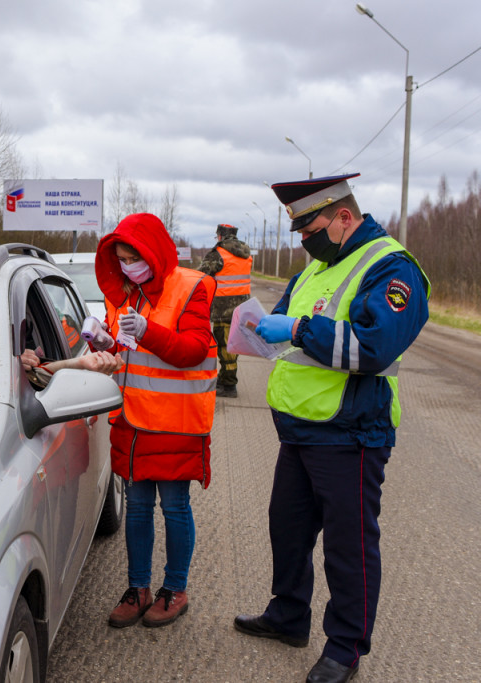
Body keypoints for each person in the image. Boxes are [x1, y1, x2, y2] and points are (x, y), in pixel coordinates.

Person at [234, 174, 430, 683]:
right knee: (287, 528)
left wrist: (299, 329)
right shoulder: (315, 269)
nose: (304, 240)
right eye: (299, 232)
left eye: (310, 229)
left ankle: (345, 648)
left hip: (351, 432)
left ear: (344, 217)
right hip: (299, 429)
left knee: (349, 547)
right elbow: (284, 327)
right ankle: (288, 615)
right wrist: (257, 331)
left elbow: (374, 348)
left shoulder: (391, 267)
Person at [91, 213, 217, 629]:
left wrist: (147, 331)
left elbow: (193, 350)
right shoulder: (123, 294)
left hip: (175, 423)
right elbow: (123, 352)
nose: (128, 266)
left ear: (155, 254)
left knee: (175, 507)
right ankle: (138, 589)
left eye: (134, 258)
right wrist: (104, 343)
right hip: (133, 422)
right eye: (122, 259)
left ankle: (174, 589)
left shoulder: (191, 287)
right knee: (138, 508)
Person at [197, 223, 252, 397]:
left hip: (223, 309)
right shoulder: (246, 253)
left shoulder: (218, 253)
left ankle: (228, 385)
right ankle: (225, 379)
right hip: (242, 307)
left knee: (225, 347)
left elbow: (200, 274)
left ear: (220, 236)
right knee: (233, 345)